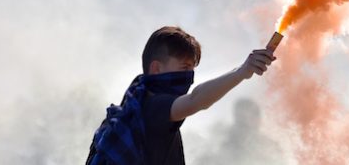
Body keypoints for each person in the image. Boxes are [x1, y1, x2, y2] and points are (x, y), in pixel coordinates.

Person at [86, 26, 276, 165]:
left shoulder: (135, 106)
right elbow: (196, 100)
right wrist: (242, 72)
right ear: (157, 68)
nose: (189, 76)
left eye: (192, 69)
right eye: (184, 68)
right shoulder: (153, 107)